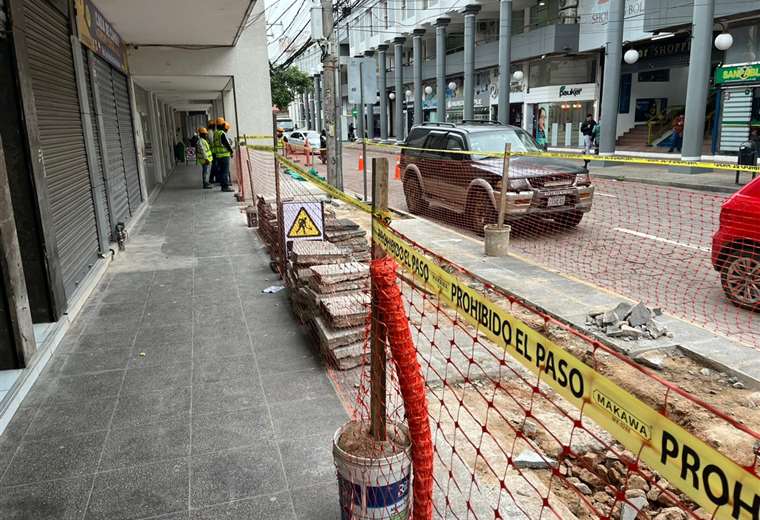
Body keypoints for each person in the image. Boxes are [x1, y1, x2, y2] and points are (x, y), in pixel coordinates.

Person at [212, 117, 234, 192]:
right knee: (225, 171)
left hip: (218, 156)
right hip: (224, 155)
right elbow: (226, 144)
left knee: (221, 171)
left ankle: (223, 185)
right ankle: (225, 186)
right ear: (222, 125)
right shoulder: (222, 133)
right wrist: (231, 151)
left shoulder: (215, 133)